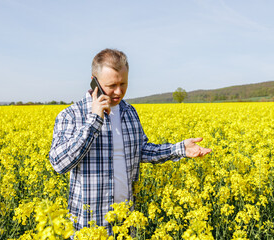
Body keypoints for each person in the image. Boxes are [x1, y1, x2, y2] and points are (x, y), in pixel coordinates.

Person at [48, 48, 212, 235]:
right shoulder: (71, 115)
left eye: (123, 83)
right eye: (112, 85)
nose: (119, 92)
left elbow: (141, 151)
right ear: (94, 81)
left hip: (126, 224)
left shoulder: (129, 112)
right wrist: (94, 120)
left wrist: (180, 149)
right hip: (88, 227)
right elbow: (58, 164)